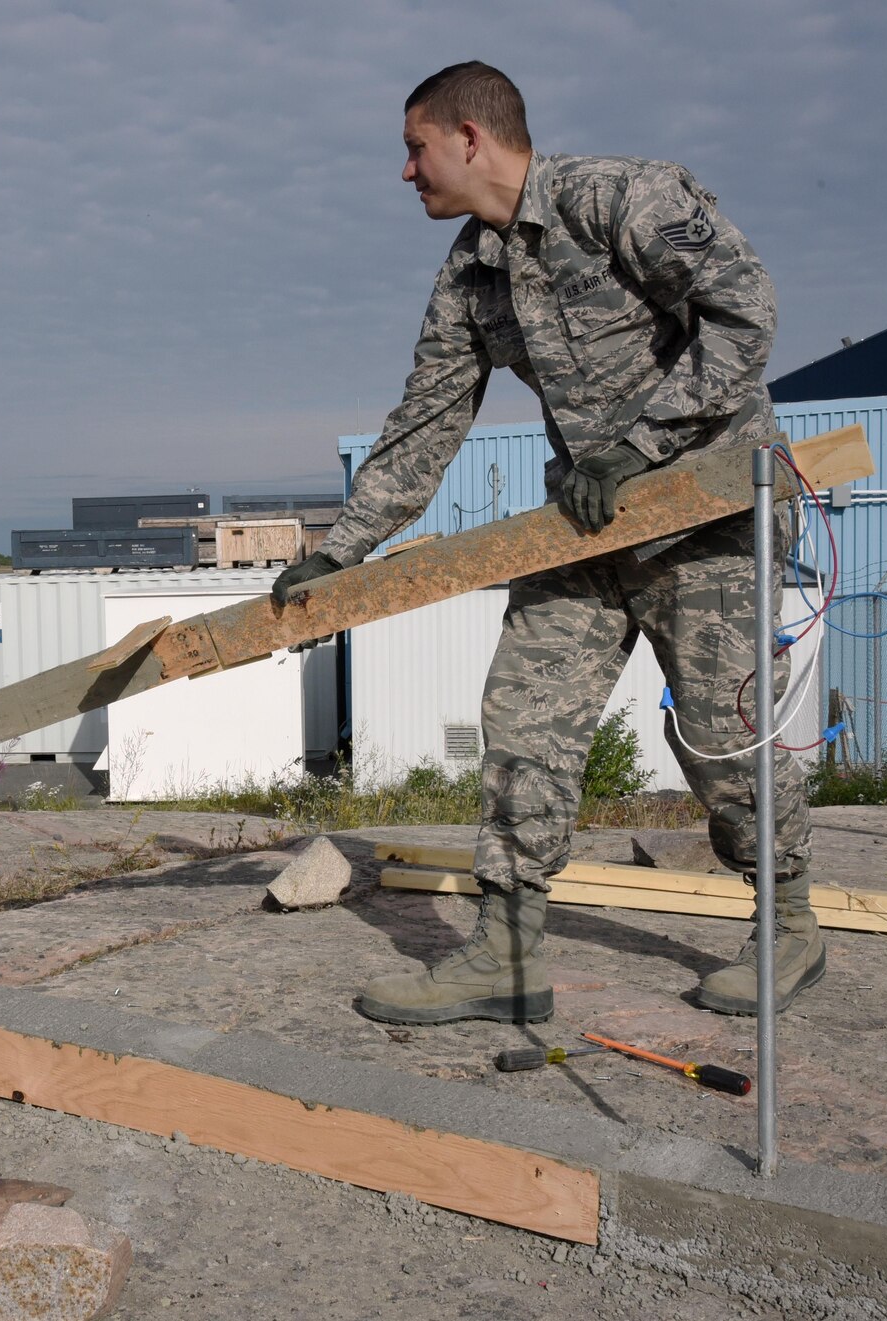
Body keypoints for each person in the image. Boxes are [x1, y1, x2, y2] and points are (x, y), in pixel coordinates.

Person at [272, 61, 820, 1024]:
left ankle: (789, 925)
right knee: (524, 720)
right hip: (589, 526)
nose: (408, 172)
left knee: (720, 737)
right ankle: (507, 957)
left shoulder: (622, 199)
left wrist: (640, 442)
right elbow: (425, 423)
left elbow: (747, 315)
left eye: (415, 148)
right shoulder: (471, 274)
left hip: (710, 513)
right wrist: (342, 550)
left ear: (470, 138)